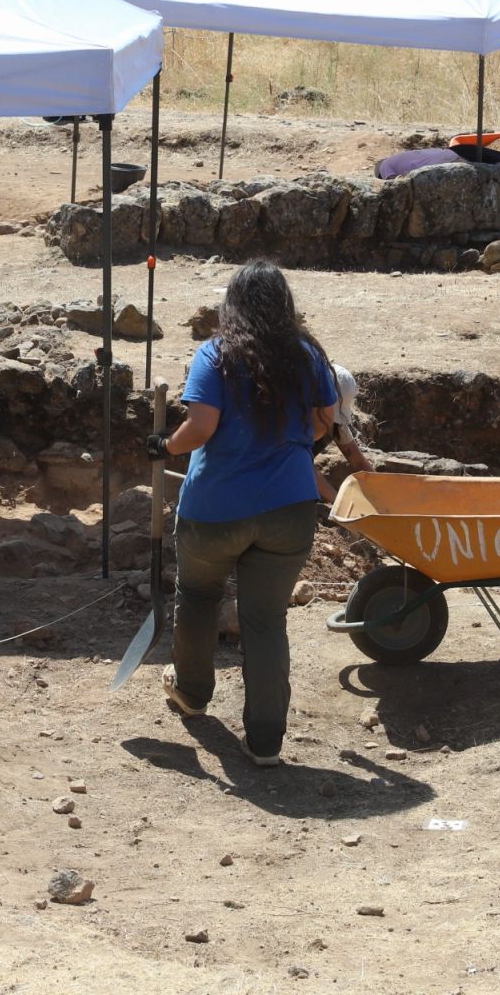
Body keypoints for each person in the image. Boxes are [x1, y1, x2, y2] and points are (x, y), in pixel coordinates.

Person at [145, 261, 337, 766]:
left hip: (216, 510)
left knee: (198, 595)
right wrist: (288, 444)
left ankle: (191, 692)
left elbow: (202, 426)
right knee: (267, 619)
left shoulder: (216, 355)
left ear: (233, 304)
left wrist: (164, 446)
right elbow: (324, 422)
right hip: (290, 507)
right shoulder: (308, 356)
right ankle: (267, 743)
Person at [315, 363, 374, 502]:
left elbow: (359, 463)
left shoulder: (335, 424)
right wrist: (339, 504)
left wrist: (381, 495)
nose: (332, 422)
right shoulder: (293, 420)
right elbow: (303, 467)